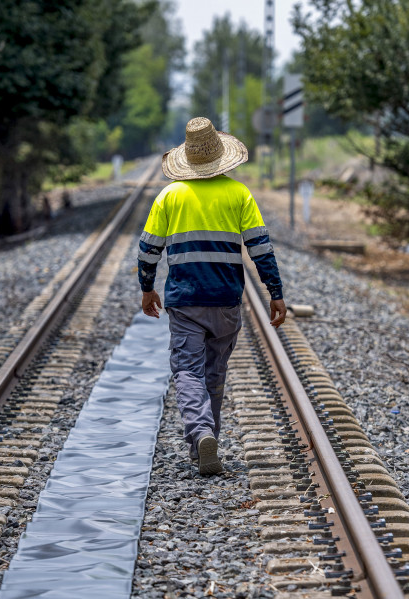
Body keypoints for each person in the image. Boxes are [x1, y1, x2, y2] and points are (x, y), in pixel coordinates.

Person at [137, 117, 286, 475]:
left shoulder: (170, 196)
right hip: (226, 299)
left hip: (186, 301)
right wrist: (275, 292)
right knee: (214, 373)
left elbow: (148, 251)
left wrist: (147, 288)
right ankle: (208, 441)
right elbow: (260, 249)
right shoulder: (239, 194)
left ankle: (201, 434)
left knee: (187, 371)